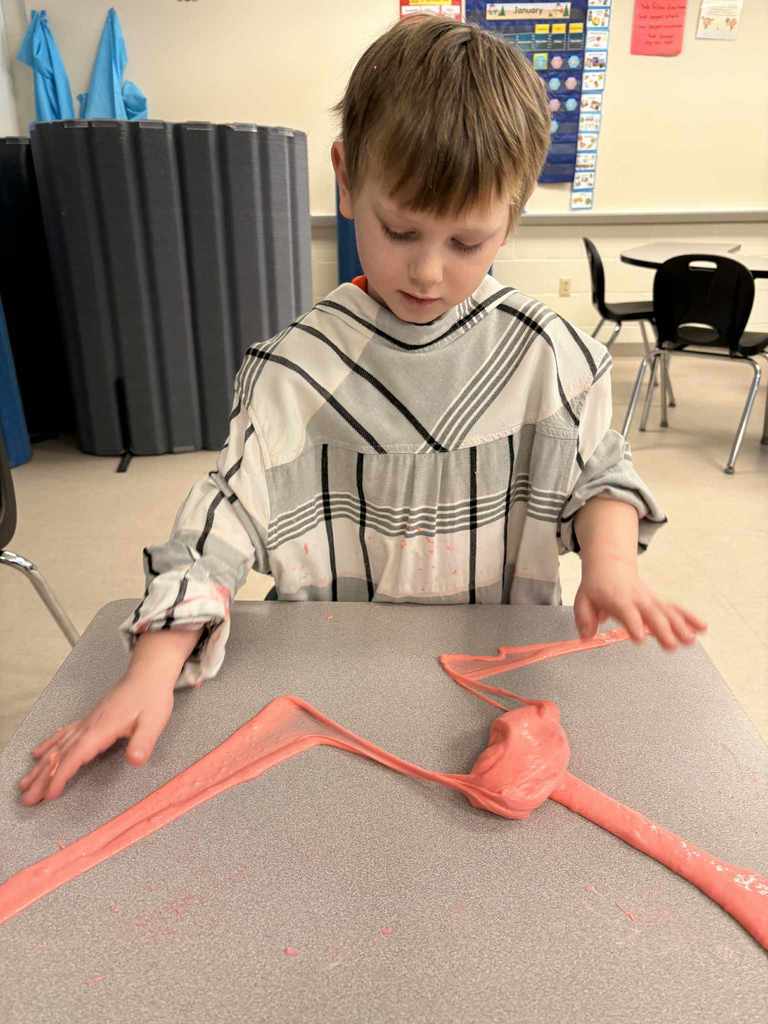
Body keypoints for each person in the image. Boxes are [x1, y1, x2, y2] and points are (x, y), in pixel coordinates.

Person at [19, 15, 706, 806]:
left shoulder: (552, 355)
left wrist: (611, 563)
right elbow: (217, 526)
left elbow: (598, 476)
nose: (427, 270)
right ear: (346, 177)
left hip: (496, 684)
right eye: (401, 229)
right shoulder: (291, 372)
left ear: (512, 213)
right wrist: (151, 670)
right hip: (329, 688)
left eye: (468, 242)